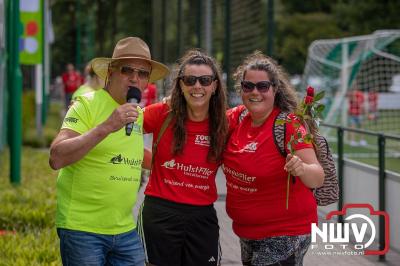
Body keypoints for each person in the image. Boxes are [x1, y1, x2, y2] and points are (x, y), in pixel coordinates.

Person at [49, 37, 169, 266]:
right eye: (127, 70)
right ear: (111, 72)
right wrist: (106, 127)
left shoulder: (137, 113)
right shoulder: (86, 104)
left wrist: (179, 167)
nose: (135, 78)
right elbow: (56, 157)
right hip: (82, 230)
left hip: (124, 230)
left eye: (143, 73)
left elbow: (129, 154)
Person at [222, 51, 325, 266]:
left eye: (263, 86)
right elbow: (203, 120)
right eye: (248, 86)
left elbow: (317, 177)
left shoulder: (290, 124)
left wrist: (302, 169)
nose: (255, 92)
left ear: (275, 89)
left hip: (285, 233)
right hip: (246, 232)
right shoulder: (236, 117)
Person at [138, 49, 228, 266]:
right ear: (180, 84)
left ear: (215, 86)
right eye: (190, 80)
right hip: (160, 214)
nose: (197, 86)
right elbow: (121, 130)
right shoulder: (162, 113)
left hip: (202, 218)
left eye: (205, 80)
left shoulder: (226, 123)